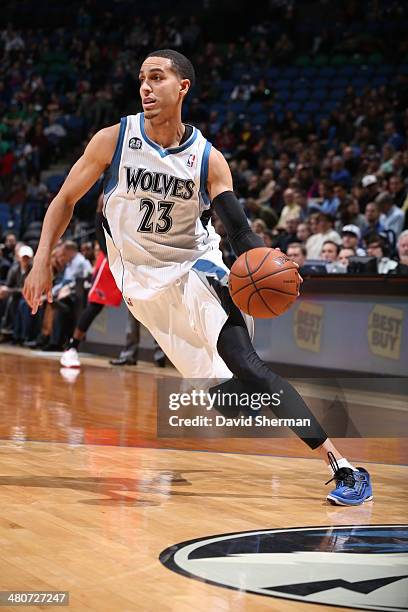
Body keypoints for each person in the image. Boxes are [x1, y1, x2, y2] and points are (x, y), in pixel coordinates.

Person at [23, 49, 372, 506]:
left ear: (182, 86)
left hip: (196, 271)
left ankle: (342, 467)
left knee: (249, 365)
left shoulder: (208, 159)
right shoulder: (114, 139)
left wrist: (265, 260)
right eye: (142, 79)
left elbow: (238, 226)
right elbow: (64, 201)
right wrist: (40, 258)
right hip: (142, 288)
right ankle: (269, 403)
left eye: (157, 77)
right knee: (225, 402)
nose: (146, 87)